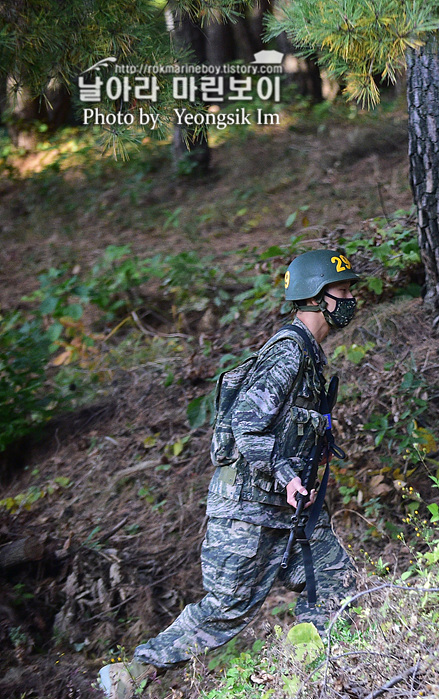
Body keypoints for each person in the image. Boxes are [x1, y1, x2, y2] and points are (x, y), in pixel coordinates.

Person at [99, 250, 360, 699]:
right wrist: (286, 474)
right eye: (344, 290)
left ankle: (316, 675)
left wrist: (301, 479)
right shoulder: (288, 354)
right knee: (228, 608)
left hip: (286, 503)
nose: (352, 297)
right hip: (248, 505)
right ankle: (134, 673)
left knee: (334, 580)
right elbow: (245, 424)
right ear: (316, 297)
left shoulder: (311, 355)